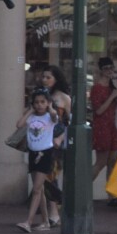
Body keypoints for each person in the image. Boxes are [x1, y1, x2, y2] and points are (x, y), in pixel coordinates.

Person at [15, 87, 62, 233]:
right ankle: (45, 221)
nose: (39, 105)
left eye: (43, 102)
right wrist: (29, 110)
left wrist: (52, 109)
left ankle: (28, 222)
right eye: (36, 102)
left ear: (48, 103)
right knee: (39, 189)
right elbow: (19, 125)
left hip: (45, 154)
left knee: (36, 189)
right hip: (33, 153)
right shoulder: (31, 116)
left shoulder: (50, 117)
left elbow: (55, 118)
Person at [38, 64, 71, 225]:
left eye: (48, 77)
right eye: (43, 77)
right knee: (43, 175)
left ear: (56, 79)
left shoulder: (63, 97)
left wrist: (61, 138)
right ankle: (51, 212)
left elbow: (69, 122)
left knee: (50, 174)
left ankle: (54, 211)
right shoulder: (41, 95)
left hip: (56, 140)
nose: (45, 80)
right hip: (41, 139)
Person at [89, 57, 117, 200]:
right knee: (101, 162)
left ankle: (111, 194)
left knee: (112, 161)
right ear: (101, 70)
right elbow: (98, 111)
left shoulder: (112, 86)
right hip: (102, 125)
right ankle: (82, 187)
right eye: (106, 68)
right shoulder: (97, 88)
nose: (109, 71)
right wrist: (112, 97)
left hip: (112, 125)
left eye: (111, 68)